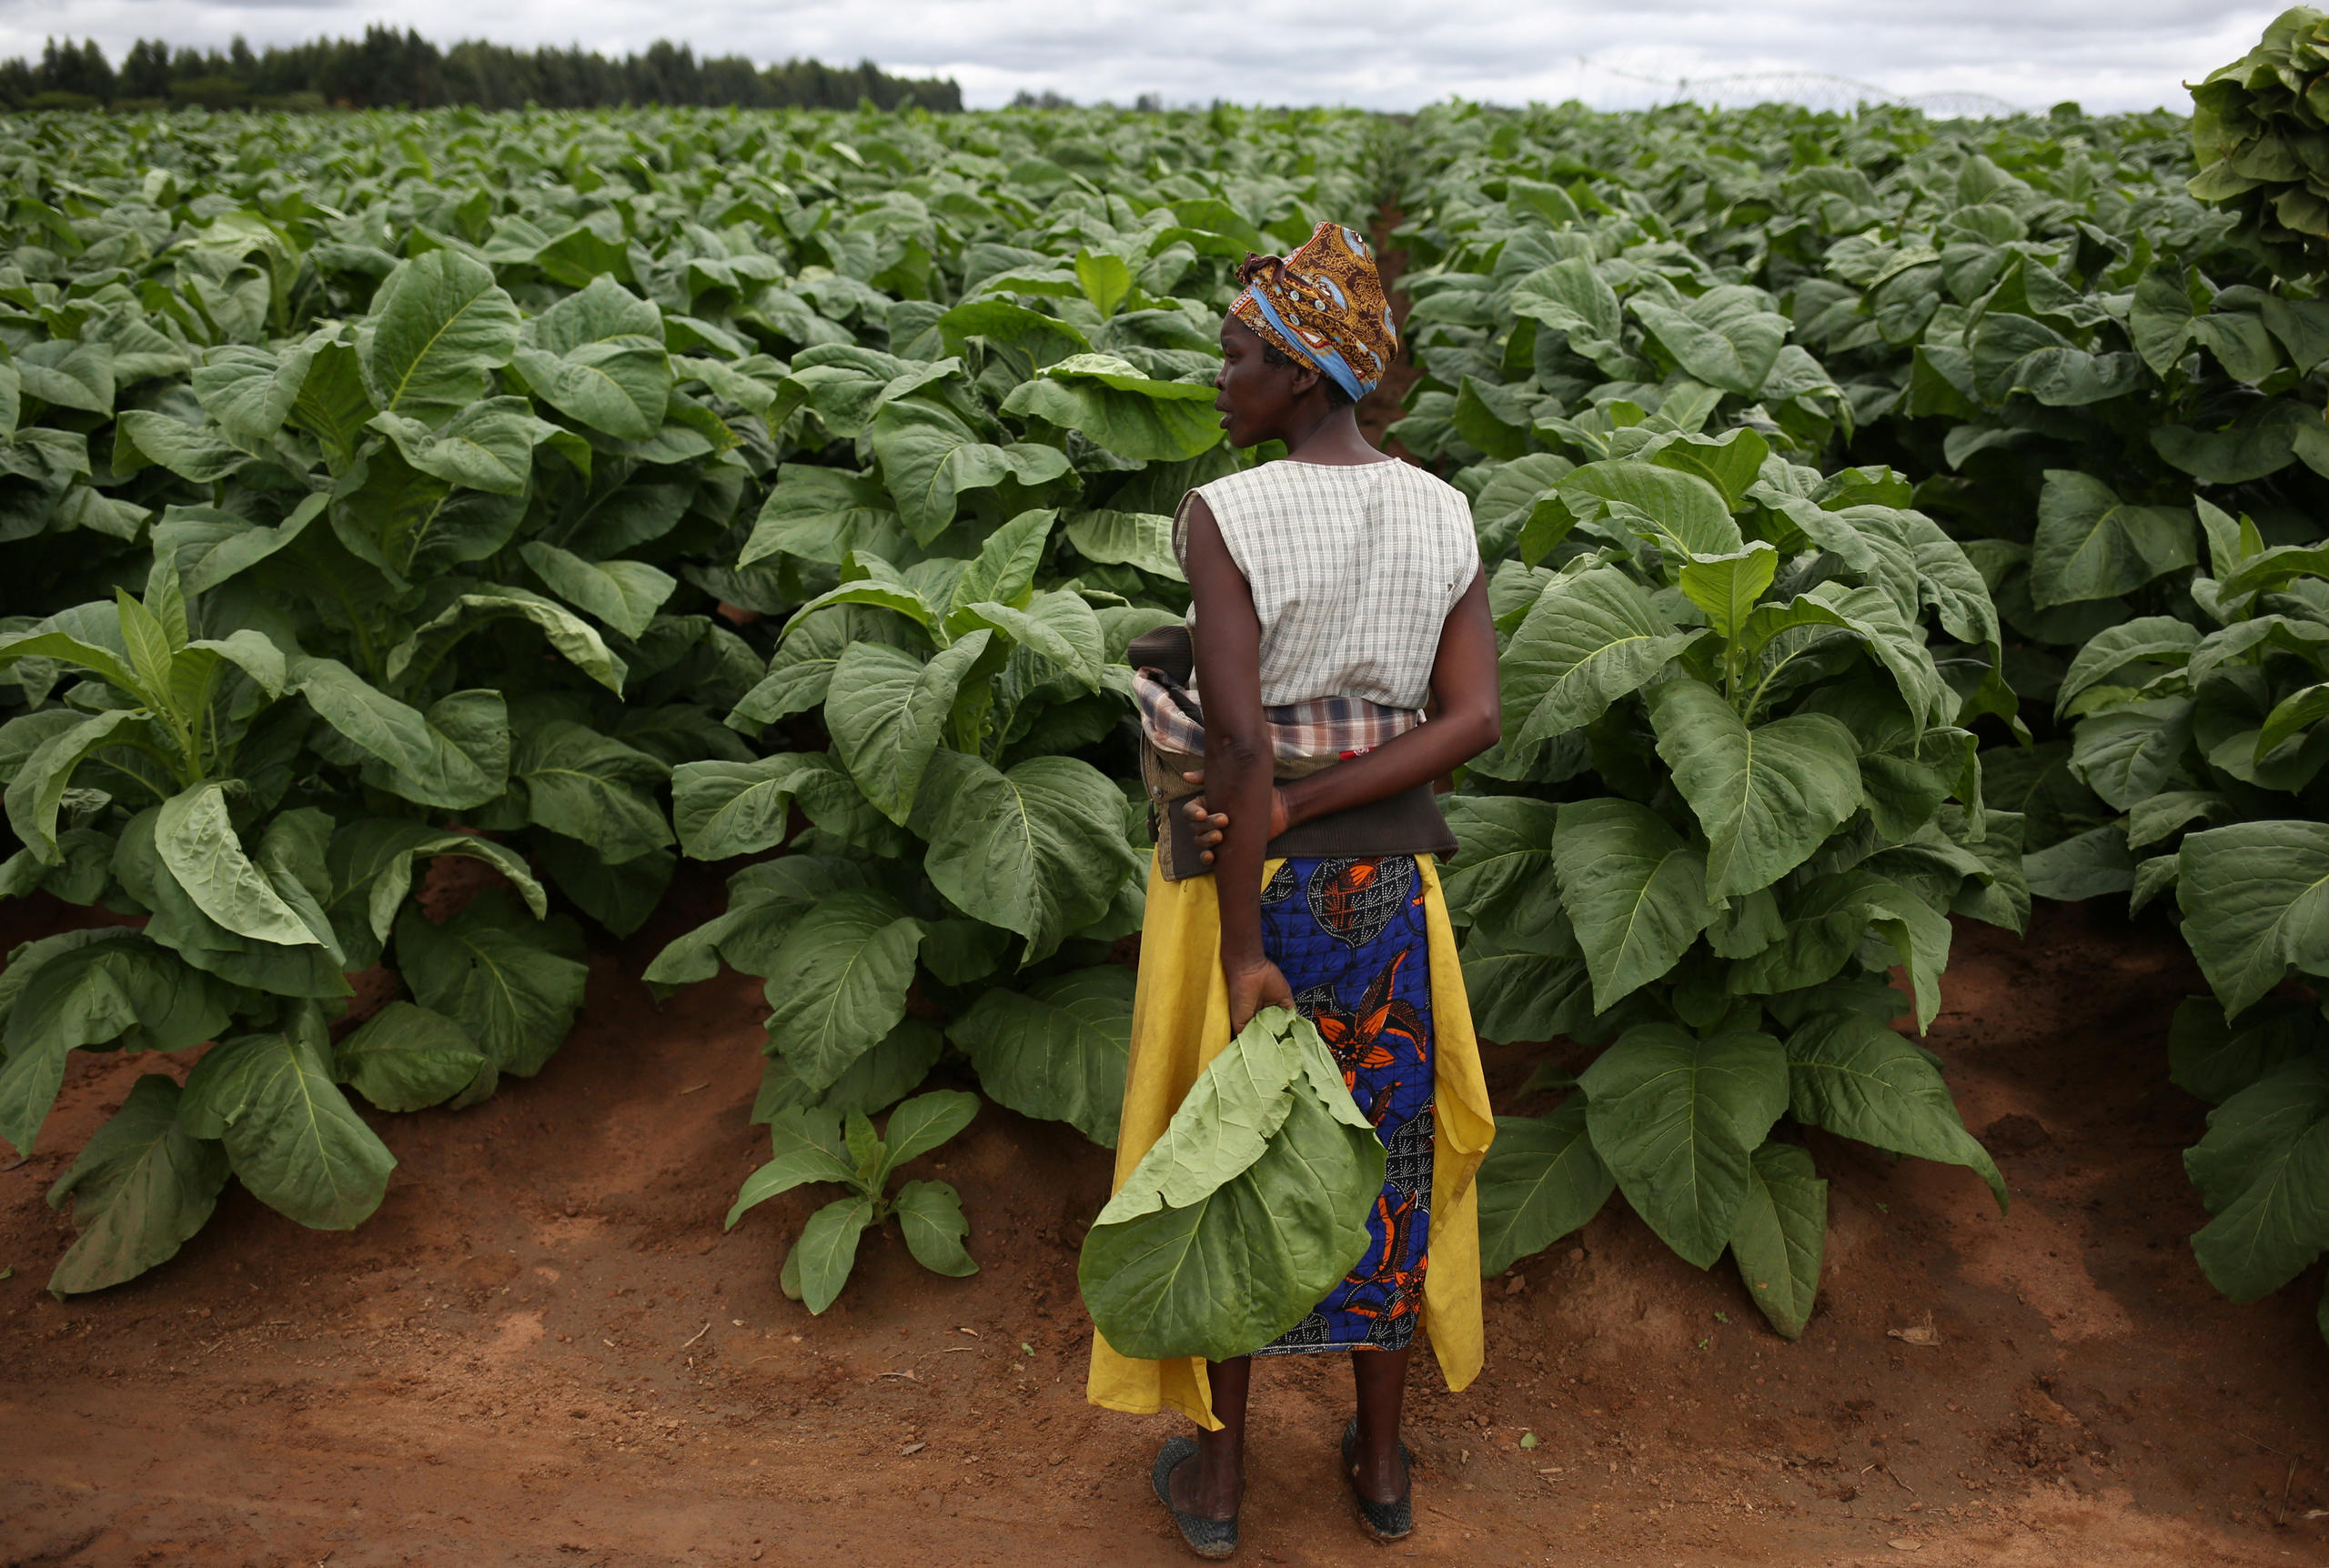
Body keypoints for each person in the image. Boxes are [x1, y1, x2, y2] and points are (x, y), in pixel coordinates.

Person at [1083, 221, 1502, 1558]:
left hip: (1242, 891)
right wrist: (1338, 805)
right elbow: (1474, 716)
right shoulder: (1443, 510)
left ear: (1309, 376)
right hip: (1386, 886)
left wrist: (1250, 926)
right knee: (1380, 1160)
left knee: (1233, 1162)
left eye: (1241, 355)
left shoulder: (1227, 513)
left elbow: (1247, 743)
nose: (1219, 379)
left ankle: (1217, 1486)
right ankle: (1380, 1464)